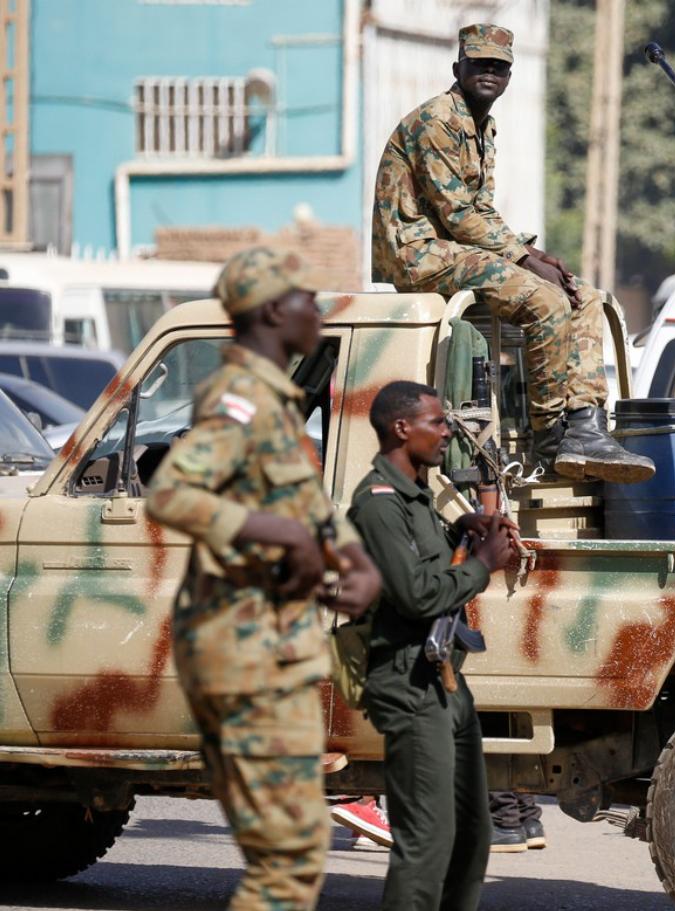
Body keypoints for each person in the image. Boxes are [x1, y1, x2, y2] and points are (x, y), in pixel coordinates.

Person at [146, 246, 382, 911]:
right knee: (285, 858)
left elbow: (305, 512)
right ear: (276, 309)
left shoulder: (279, 406)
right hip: (238, 649)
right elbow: (172, 492)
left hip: (273, 647)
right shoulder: (241, 398)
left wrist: (353, 566)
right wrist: (285, 536)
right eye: (306, 295)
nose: (317, 306)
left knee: (299, 847)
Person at [371, 23, 652, 485]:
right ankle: (550, 436)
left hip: (455, 250)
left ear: (509, 75)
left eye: (499, 67)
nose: (489, 74)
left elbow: (480, 207)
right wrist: (524, 260)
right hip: (419, 254)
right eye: (480, 64)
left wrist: (526, 252)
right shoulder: (438, 119)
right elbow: (458, 213)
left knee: (582, 295)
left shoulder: (482, 126)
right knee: (543, 299)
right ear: (457, 68)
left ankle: (584, 423)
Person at [349, 380, 516, 911]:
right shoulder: (378, 504)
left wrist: (462, 531)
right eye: (437, 422)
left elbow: (429, 564)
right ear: (403, 429)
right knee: (426, 842)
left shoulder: (418, 496)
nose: (446, 432)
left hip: (443, 679)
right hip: (408, 682)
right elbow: (418, 595)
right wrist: (483, 564)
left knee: (471, 832)